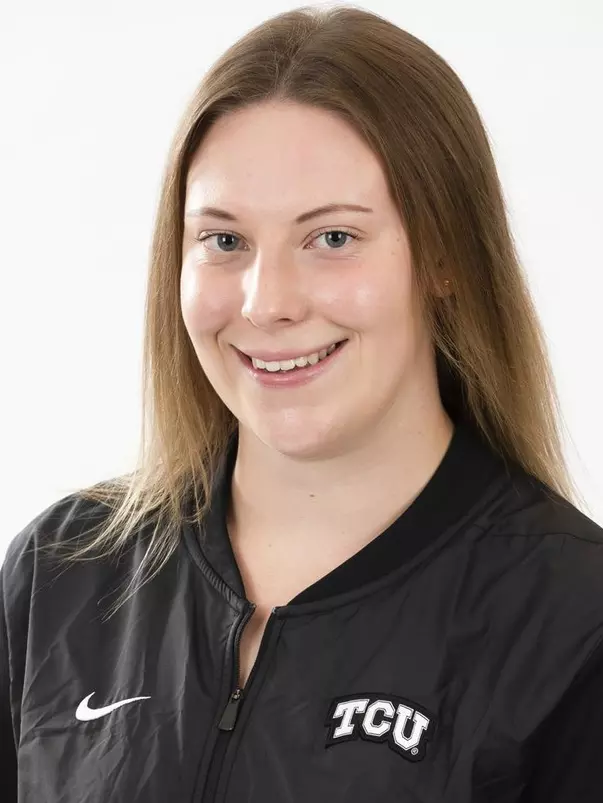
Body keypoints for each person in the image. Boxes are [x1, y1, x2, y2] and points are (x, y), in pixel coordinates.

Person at [2, 4, 602, 802]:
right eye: (224, 240)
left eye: (332, 238)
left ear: (446, 257)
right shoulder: (62, 575)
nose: (266, 302)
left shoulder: (571, 620)